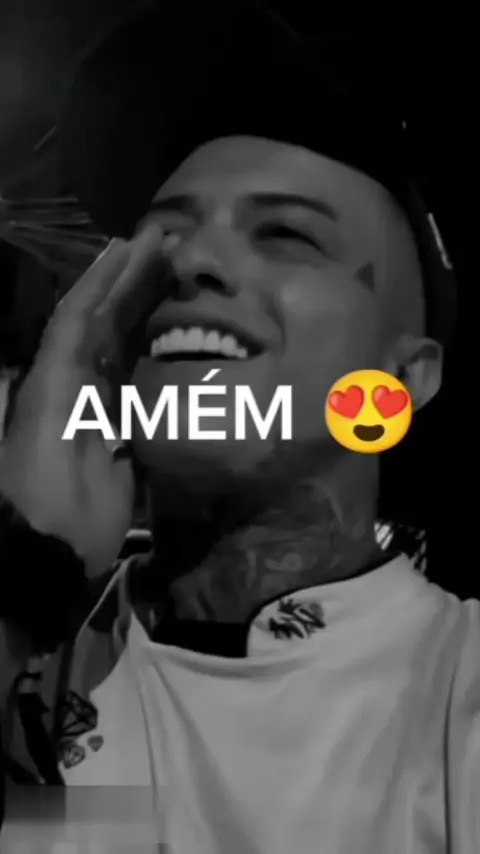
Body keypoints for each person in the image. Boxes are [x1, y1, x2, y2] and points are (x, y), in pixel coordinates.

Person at [0, 3, 474, 853]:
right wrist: (24, 569)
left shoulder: (459, 692)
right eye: (160, 236)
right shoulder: (31, 648)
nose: (186, 262)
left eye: (286, 233)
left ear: (401, 382)